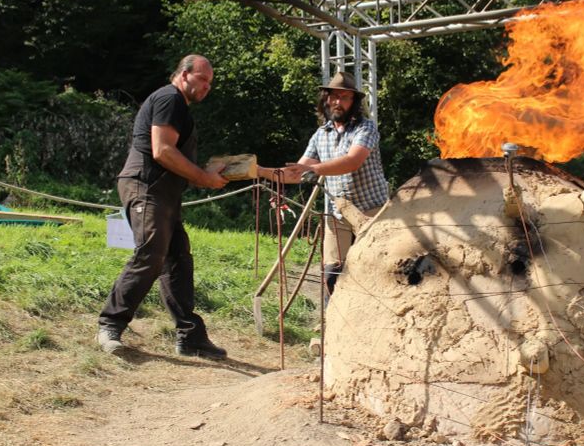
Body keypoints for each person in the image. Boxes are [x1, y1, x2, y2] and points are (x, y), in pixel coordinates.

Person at [97, 55, 230, 358]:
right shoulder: (170, 98)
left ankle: (191, 337)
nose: (207, 87)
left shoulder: (178, 105)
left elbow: (177, 156)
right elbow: (163, 150)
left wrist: (210, 173)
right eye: (203, 79)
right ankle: (110, 324)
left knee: (178, 258)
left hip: (162, 193)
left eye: (210, 82)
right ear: (184, 75)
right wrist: (205, 179)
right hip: (146, 187)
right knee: (152, 253)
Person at [259, 71, 389, 296]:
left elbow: (352, 161)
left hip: (372, 212)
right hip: (337, 215)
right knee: (332, 275)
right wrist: (258, 171)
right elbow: (295, 174)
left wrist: (313, 169)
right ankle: (334, 328)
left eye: (345, 97)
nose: (338, 102)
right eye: (334, 96)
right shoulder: (321, 134)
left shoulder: (366, 128)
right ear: (326, 99)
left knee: (375, 274)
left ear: (354, 102)